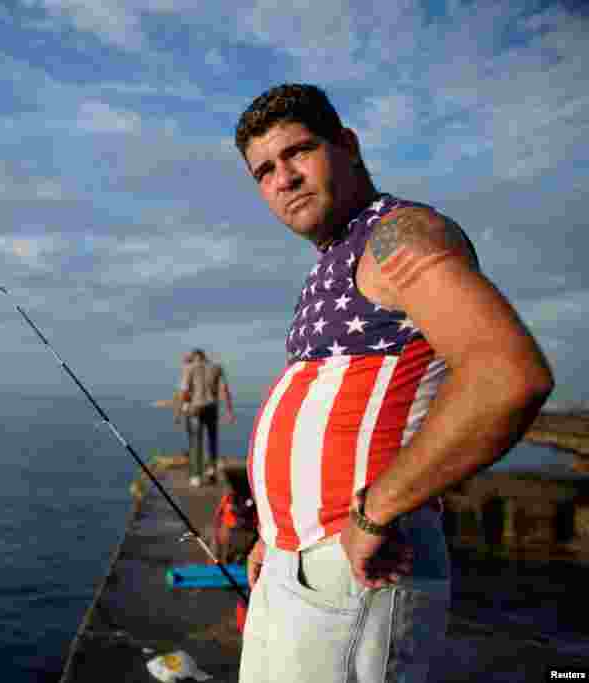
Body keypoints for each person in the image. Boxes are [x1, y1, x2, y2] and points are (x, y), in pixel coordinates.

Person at [233, 84, 554, 683]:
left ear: (347, 146)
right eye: (264, 171)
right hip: (294, 557)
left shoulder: (396, 236)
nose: (284, 179)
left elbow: (507, 376)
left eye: (299, 152)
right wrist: (275, 535)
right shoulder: (332, 259)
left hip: (358, 566)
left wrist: (375, 513)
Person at [179, 349, 236, 487]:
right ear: (205, 356)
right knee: (212, 440)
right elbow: (224, 390)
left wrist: (183, 408)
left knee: (195, 443)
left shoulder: (189, 368)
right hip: (211, 407)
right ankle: (211, 470)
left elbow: (185, 390)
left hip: (195, 408)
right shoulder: (216, 367)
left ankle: (196, 476)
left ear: (194, 357)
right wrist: (229, 411)